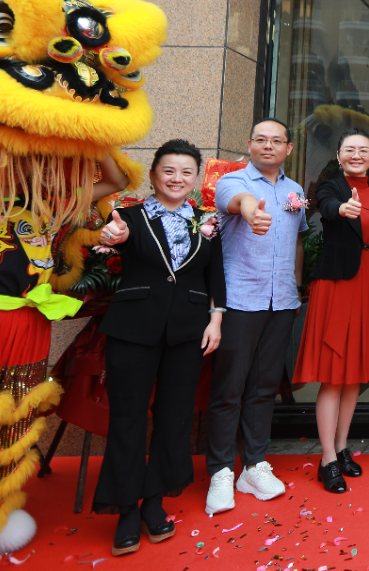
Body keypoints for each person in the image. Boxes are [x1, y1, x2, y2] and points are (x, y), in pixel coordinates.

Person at [90, 140, 224, 557]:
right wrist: (114, 236)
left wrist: (216, 319)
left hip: (188, 331)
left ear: (196, 178)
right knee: (127, 419)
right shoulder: (129, 217)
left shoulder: (207, 220)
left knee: (175, 419)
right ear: (152, 175)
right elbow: (117, 237)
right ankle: (126, 509)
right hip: (133, 329)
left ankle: (153, 501)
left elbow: (215, 274)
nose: (176, 179)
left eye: (186, 172)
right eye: (168, 170)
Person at [206, 118, 307, 515]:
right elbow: (241, 203)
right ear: (249, 145)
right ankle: (220, 471)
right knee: (228, 389)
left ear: (288, 148)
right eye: (260, 140)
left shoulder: (295, 191)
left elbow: (297, 241)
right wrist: (252, 212)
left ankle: (254, 465)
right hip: (240, 300)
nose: (268, 146)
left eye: (276, 141)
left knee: (264, 387)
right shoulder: (232, 181)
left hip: (281, 301)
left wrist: (296, 285)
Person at [293, 130, 369, 493]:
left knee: (354, 376)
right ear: (338, 155)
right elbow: (329, 207)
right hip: (337, 285)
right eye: (350, 149)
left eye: (363, 150)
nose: (357, 154)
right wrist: (342, 208)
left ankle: (342, 446)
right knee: (334, 375)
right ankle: (327, 459)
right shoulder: (330, 187)